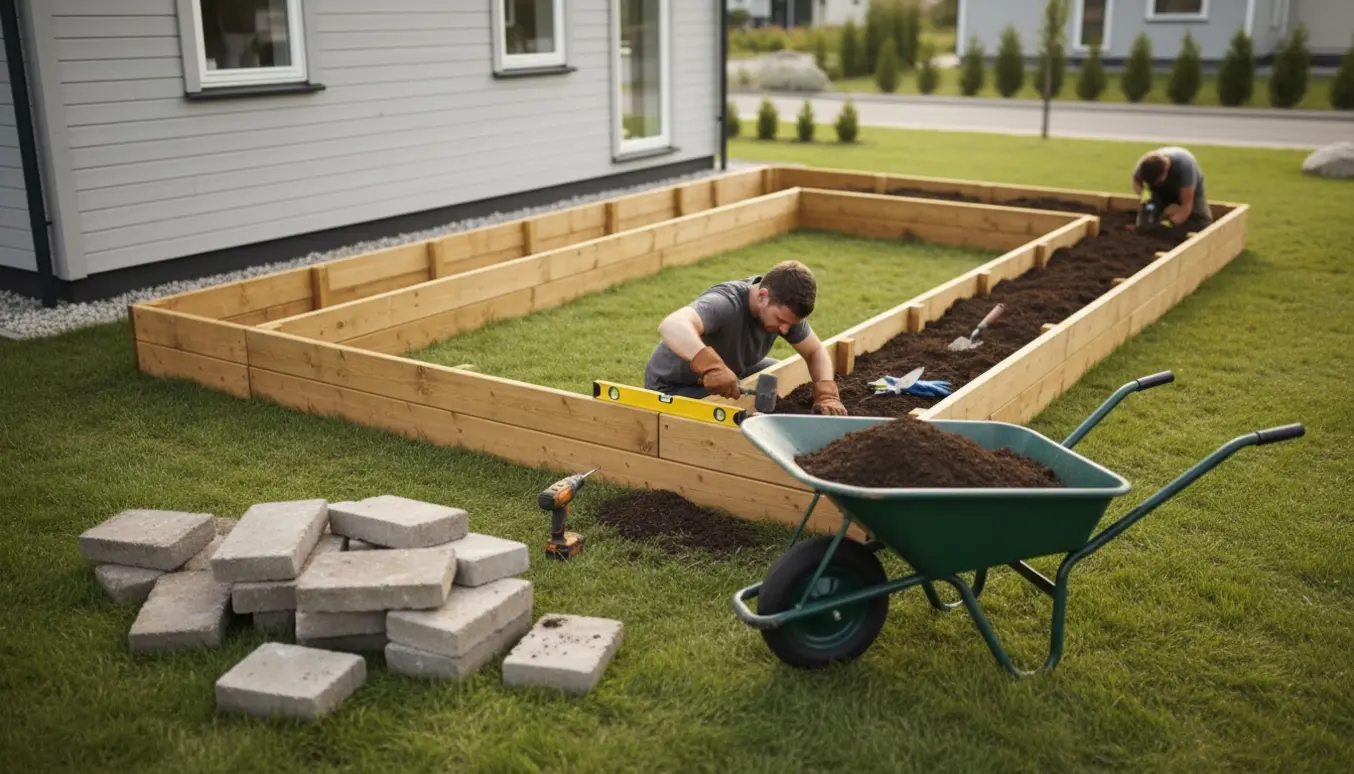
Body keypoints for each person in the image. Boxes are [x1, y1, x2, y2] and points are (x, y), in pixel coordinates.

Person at [643, 260, 848, 416]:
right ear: (762, 296)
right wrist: (712, 368)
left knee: (789, 379)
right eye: (780, 320)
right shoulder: (724, 303)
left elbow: (815, 351)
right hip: (673, 386)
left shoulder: (784, 311)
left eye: (790, 324)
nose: (785, 331)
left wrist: (827, 394)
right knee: (736, 415)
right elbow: (671, 325)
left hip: (733, 369)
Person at [1130, 146, 1213, 231]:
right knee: (1148, 213)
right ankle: (1152, 215)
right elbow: (1136, 180)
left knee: (1203, 224)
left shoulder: (1185, 166)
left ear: (1165, 171)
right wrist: (1144, 196)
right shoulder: (1144, 164)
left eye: (1157, 182)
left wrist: (1169, 224)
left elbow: (1187, 205)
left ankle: (1175, 225)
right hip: (1159, 191)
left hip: (1189, 190)